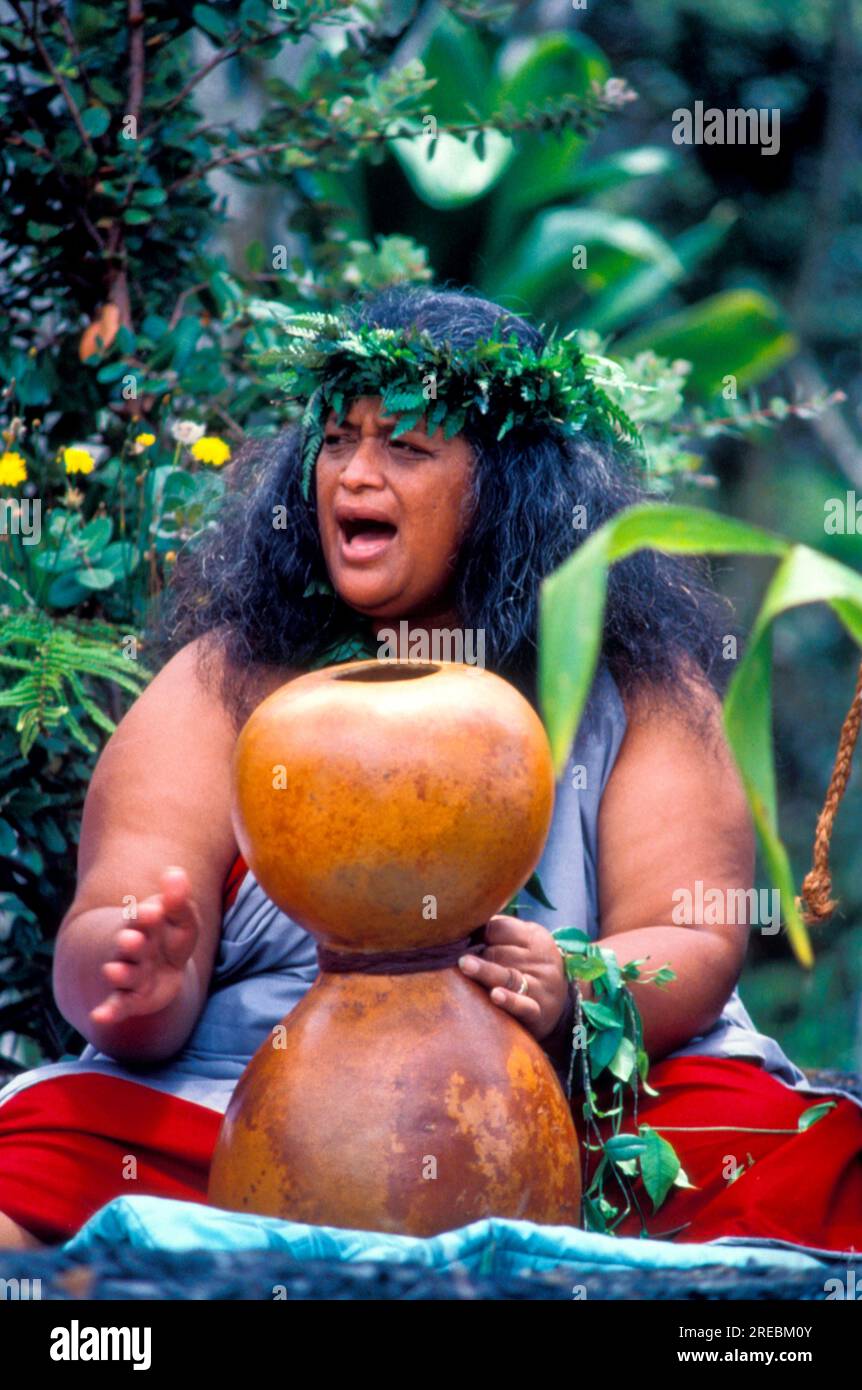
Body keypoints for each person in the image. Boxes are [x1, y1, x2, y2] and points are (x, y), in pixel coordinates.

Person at [0, 283, 860, 1253]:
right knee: (32, 1170)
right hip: (247, 1087)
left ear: (508, 487)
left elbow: (688, 935)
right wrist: (135, 978)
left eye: (404, 448)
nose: (353, 477)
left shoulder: (632, 684)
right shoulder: (226, 683)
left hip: (573, 1095)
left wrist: (577, 985)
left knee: (790, 1162)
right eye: (336, 440)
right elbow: (111, 921)